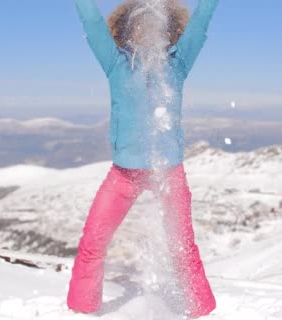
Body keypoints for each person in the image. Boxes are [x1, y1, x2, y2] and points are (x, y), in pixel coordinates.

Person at [67, 0, 219, 318]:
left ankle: (203, 312)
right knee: (93, 242)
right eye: (140, 23)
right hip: (123, 175)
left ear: (168, 30)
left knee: (183, 250)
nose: (147, 29)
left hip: (169, 173)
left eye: (154, 24)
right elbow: (91, 23)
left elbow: (201, 23)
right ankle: (80, 311)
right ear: (127, 30)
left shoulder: (178, 64)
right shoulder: (115, 63)